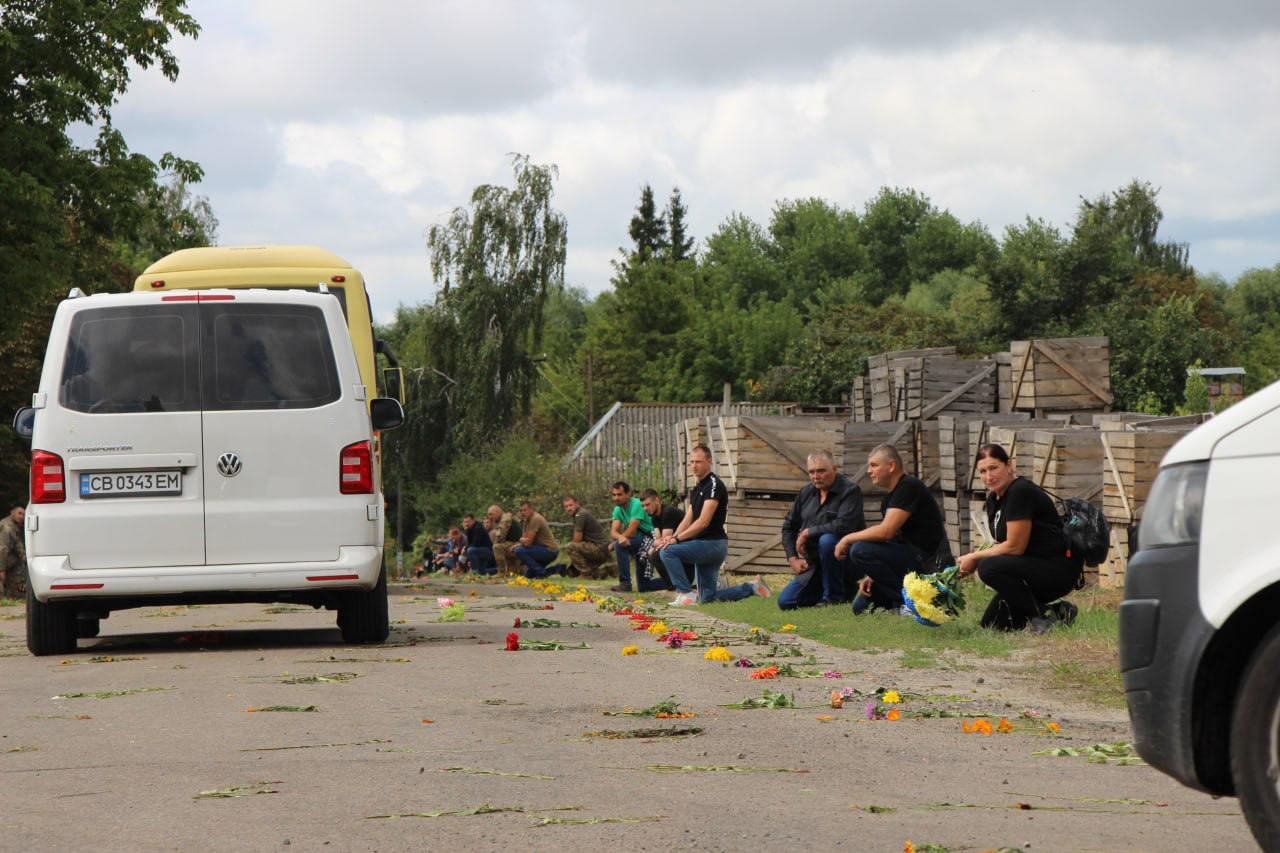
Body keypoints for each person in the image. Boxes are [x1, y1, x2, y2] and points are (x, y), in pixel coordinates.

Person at [955, 444, 1080, 633]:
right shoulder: (994, 500)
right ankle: (1058, 611)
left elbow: (1014, 547)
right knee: (991, 627)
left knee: (988, 567)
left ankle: (1041, 617)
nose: (989, 476)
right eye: (983, 471)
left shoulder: (1020, 492)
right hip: (1029, 570)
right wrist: (974, 558)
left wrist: (975, 557)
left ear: (1009, 465)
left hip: (1056, 569)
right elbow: (1001, 544)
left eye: (993, 468)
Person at [835, 444, 953, 614]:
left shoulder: (909, 486)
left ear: (891, 466)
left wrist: (847, 538)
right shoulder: (890, 498)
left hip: (928, 564)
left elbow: (886, 531)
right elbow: (892, 540)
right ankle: (907, 602)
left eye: (874, 465)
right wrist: (872, 575)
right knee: (860, 607)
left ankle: (909, 604)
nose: (869, 471)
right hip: (909, 560)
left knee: (859, 549)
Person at [656, 444, 769, 606]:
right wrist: (671, 538)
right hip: (704, 545)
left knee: (668, 552)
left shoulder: (714, 485)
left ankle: (686, 594)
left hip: (712, 545)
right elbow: (687, 520)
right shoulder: (697, 488)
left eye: (698, 462)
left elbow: (703, 522)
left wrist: (676, 540)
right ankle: (752, 587)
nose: (694, 465)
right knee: (708, 599)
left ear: (709, 461)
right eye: (692, 462)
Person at [778, 450, 866, 610]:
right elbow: (789, 526)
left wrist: (807, 532)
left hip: (845, 561)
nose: (816, 476)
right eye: (811, 472)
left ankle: (834, 598)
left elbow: (844, 525)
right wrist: (793, 558)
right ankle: (838, 591)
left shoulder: (850, 491)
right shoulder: (806, 492)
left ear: (834, 468)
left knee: (828, 540)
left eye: (821, 471)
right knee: (786, 602)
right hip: (815, 564)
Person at [608, 481, 656, 592]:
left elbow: (631, 529)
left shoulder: (637, 504)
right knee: (644, 587)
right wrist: (619, 538)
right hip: (639, 541)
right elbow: (613, 532)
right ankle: (672, 583)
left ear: (628, 494)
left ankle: (625, 583)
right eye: (614, 495)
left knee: (620, 546)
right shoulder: (618, 509)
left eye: (619, 494)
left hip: (651, 538)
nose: (616, 498)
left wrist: (617, 541)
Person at [560, 495, 613, 578]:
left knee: (570, 546)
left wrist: (575, 558)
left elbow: (577, 539)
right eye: (566, 506)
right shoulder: (578, 514)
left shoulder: (580, 514)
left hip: (599, 548)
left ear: (577, 504)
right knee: (572, 573)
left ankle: (585, 573)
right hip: (601, 550)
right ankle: (605, 571)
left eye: (571, 505)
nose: (568, 508)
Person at [641, 488, 683, 591]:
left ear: (657, 500)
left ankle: (676, 585)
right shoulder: (654, 517)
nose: (645, 508)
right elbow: (657, 540)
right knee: (652, 553)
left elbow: (663, 541)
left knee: (656, 555)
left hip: (686, 542)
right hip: (675, 544)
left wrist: (655, 545)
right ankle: (672, 585)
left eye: (647, 504)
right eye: (643, 506)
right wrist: (654, 546)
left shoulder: (668, 512)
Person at [512, 501, 560, 579]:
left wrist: (519, 539)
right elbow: (525, 539)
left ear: (531, 509)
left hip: (550, 550)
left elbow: (528, 542)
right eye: (521, 510)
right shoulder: (526, 520)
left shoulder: (535, 519)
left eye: (525, 510)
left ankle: (542, 573)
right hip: (540, 549)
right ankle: (558, 568)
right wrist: (517, 544)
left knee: (519, 551)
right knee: (529, 576)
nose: (522, 512)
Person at [487, 504, 523, 574]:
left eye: (491, 514)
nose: (489, 517)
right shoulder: (504, 518)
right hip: (513, 543)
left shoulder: (505, 519)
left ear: (497, 512)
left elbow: (500, 536)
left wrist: (494, 543)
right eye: (489, 515)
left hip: (517, 544)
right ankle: (511, 572)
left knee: (497, 547)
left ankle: (501, 572)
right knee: (512, 573)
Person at [0, 505, 25, 599]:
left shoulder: (15, 527)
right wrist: (1, 569)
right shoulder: (6, 527)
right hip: (2, 562)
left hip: (10, 563)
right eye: (19, 513)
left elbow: (18, 547)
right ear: (12, 513)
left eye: (23, 514)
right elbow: (2, 549)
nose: (21, 516)